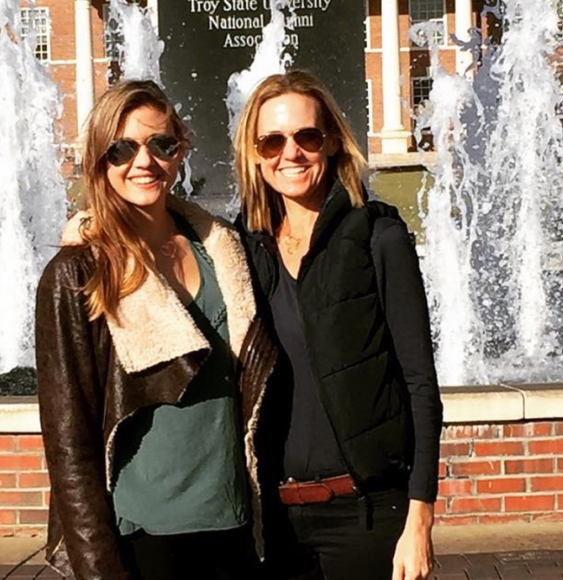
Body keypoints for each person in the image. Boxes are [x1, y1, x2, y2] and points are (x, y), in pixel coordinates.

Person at [35, 79, 277, 580]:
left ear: (180, 150)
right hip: (143, 535)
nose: (143, 161)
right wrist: (98, 567)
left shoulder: (223, 249)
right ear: (99, 160)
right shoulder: (78, 273)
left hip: (234, 522)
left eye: (161, 144)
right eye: (122, 149)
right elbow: (68, 442)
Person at [232, 70, 443, 580]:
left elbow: (420, 384)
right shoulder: (243, 248)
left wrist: (419, 519)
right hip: (273, 521)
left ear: (330, 141)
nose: (291, 153)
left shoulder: (378, 237)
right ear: (255, 154)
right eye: (272, 141)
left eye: (307, 136)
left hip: (366, 515)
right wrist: (93, 226)